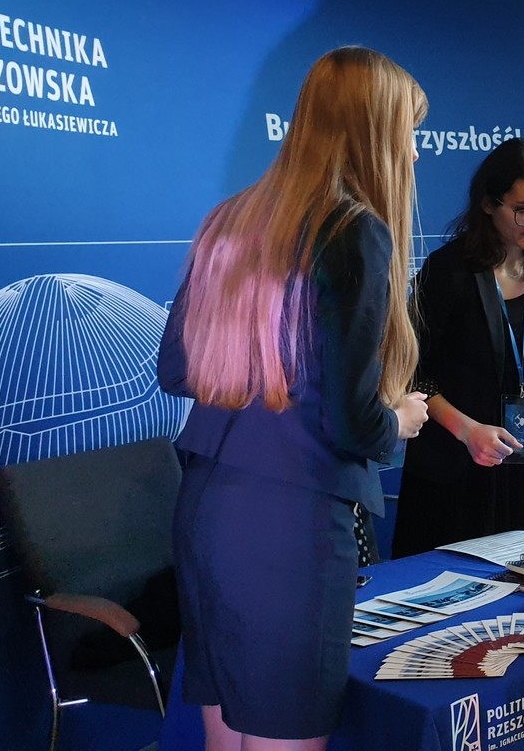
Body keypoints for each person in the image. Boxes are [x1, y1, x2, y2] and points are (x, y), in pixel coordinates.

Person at [157, 46, 432, 748]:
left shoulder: (231, 218)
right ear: (373, 131)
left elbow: (178, 368)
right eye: (408, 132)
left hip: (206, 513)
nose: (414, 152)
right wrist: (399, 419)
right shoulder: (354, 231)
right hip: (291, 528)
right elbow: (352, 421)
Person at [391, 137, 524, 558]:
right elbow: (411, 371)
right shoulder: (448, 271)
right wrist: (467, 431)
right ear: (488, 204)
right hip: (459, 459)